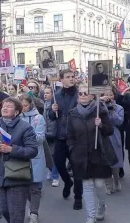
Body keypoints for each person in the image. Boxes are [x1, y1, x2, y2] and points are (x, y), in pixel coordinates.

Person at [67, 84, 115, 223]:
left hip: (98, 152)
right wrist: (72, 150)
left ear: (92, 95)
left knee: (99, 184)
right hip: (81, 155)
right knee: (87, 186)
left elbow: (109, 131)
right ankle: (90, 216)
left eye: (85, 93)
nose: (83, 95)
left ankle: (101, 206)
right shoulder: (73, 113)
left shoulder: (100, 111)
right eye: (80, 93)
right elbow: (70, 135)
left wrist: (100, 125)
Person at [0, 97, 38, 223]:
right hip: (0, 177)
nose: (4, 108)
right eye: (4, 105)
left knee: (16, 214)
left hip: (17, 176)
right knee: (3, 209)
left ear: (16, 112)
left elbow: (33, 150)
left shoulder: (25, 127)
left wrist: (11, 150)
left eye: (9, 106)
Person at [48, 69, 83, 210]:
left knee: (77, 168)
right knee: (58, 163)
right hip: (61, 136)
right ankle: (67, 182)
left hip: (76, 137)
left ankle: (78, 196)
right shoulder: (56, 95)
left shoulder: (80, 94)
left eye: (72, 76)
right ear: (61, 80)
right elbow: (51, 116)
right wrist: (53, 109)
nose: (71, 79)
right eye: (68, 77)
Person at [20, 95, 47, 223]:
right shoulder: (16, 117)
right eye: (21, 106)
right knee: (23, 187)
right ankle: (31, 207)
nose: (23, 108)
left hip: (34, 157)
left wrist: (25, 135)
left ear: (31, 104)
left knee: (35, 187)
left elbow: (40, 138)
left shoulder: (38, 118)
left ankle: (34, 213)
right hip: (20, 156)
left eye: (25, 105)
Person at [100, 87, 124, 194]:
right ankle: (108, 185)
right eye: (106, 95)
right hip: (103, 134)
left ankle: (117, 180)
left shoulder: (119, 107)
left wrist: (112, 111)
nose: (109, 97)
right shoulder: (99, 106)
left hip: (114, 134)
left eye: (111, 94)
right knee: (105, 161)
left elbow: (119, 122)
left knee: (115, 161)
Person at [43, 87, 59, 187]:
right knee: (46, 155)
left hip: (52, 133)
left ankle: (55, 176)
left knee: (53, 156)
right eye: (44, 93)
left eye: (48, 93)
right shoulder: (45, 104)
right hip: (45, 131)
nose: (45, 95)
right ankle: (50, 170)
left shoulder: (55, 105)